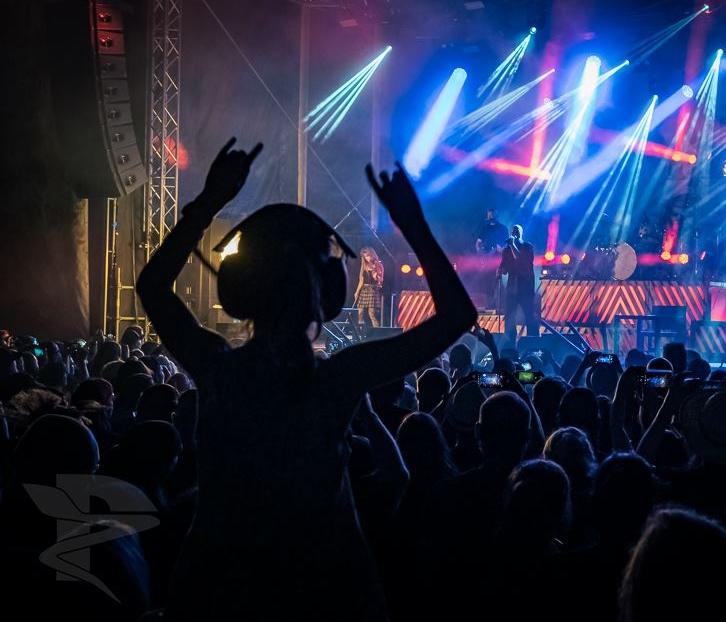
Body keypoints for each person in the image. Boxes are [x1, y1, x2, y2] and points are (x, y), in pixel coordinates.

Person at [135, 138, 477, 621]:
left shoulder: (218, 369)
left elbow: (152, 287)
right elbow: (457, 315)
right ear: (330, 292)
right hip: (325, 601)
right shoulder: (339, 380)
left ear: (236, 288)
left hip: (216, 597)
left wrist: (209, 202)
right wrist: (411, 223)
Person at [498, 224, 537, 339]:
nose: (514, 234)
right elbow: (504, 268)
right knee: (509, 316)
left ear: (521, 233)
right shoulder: (507, 250)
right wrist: (500, 270)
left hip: (526, 287)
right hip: (512, 287)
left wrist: (512, 245)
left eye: (517, 232)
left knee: (529, 315)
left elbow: (520, 259)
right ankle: (509, 339)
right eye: (512, 232)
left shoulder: (527, 247)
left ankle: (532, 339)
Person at [355, 246, 385, 328]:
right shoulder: (364, 265)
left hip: (373, 289)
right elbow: (361, 280)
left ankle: (377, 331)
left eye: (368, 256)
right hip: (364, 289)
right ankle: (361, 330)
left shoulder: (379, 265)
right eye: (365, 256)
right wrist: (357, 291)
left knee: (371, 313)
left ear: (372, 254)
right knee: (360, 312)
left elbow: (381, 279)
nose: (367, 258)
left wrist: (376, 275)